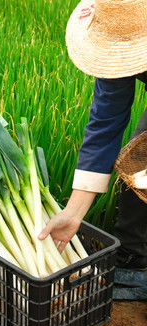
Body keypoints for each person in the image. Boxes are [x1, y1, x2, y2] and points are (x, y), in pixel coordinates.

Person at [38, 0, 147, 271]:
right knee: (139, 166)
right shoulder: (119, 26)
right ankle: (133, 258)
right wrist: (73, 213)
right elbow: (105, 124)